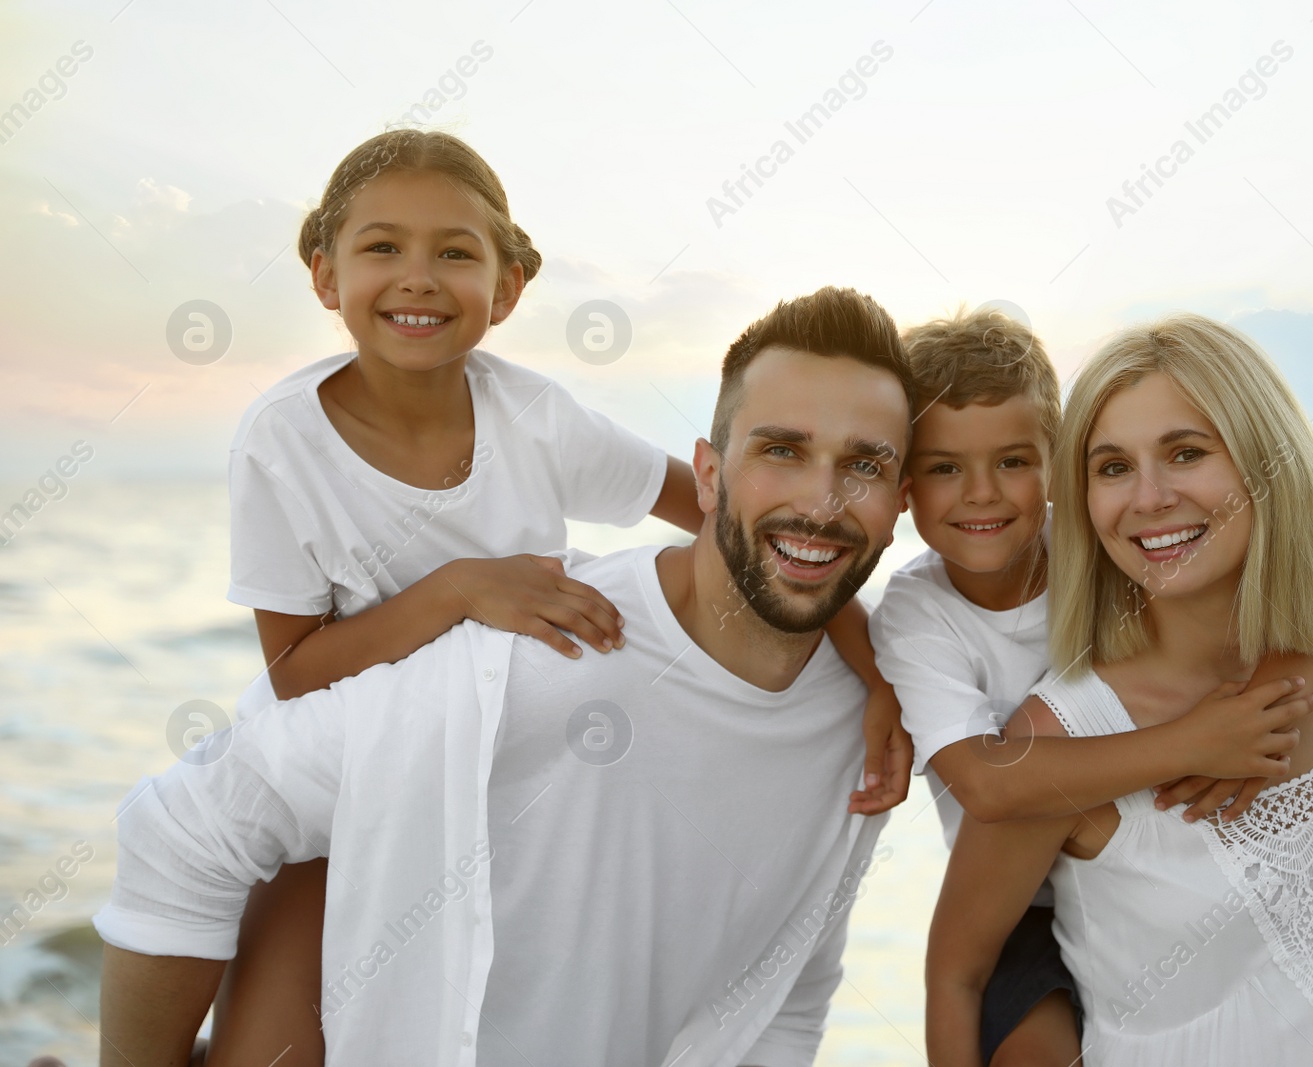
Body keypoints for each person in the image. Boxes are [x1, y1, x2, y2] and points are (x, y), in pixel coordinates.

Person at [213, 131, 908, 1063]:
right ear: (323, 273)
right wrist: (460, 590)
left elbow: (723, 519)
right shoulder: (278, 441)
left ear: (507, 288)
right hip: (354, 756)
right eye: (382, 246)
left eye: (454, 252)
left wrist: (869, 667)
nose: (417, 277)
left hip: (507, 743)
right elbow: (293, 672)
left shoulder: (533, 418)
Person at [926, 312, 1313, 1064]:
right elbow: (959, 974)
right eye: (1113, 466)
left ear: (1270, 459)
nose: (1150, 497)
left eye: (1186, 452)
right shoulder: (1053, 744)